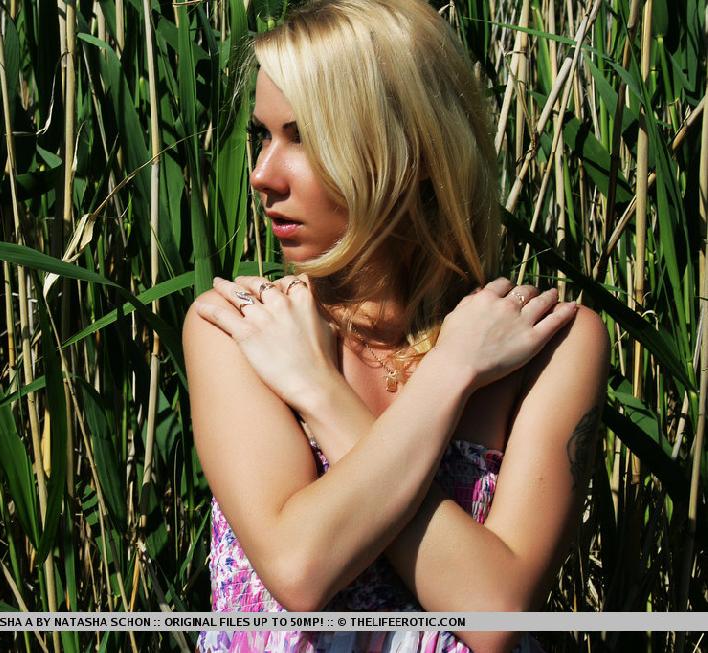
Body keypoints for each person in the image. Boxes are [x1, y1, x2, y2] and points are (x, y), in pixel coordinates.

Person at [182, 0, 611, 651]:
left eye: (302, 136)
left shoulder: (550, 343)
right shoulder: (242, 331)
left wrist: (329, 392)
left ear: (402, 143)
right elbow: (302, 568)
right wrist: (452, 375)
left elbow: (495, 614)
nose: (264, 175)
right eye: (261, 137)